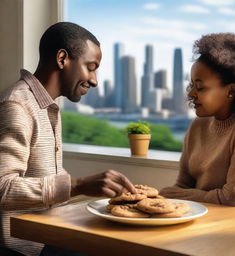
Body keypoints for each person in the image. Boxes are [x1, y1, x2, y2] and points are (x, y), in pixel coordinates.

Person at [0, 22, 136, 256]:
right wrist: (77, 185)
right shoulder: (17, 105)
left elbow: (45, 178)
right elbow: (3, 187)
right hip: (25, 248)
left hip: (49, 234)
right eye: (90, 67)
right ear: (62, 59)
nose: (94, 80)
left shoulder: (47, 106)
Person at [160, 33, 235, 209]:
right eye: (191, 86)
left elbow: (234, 198)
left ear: (231, 91)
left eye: (200, 87)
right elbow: (182, 185)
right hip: (204, 216)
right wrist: (160, 198)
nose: (190, 94)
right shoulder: (198, 125)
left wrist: (176, 195)